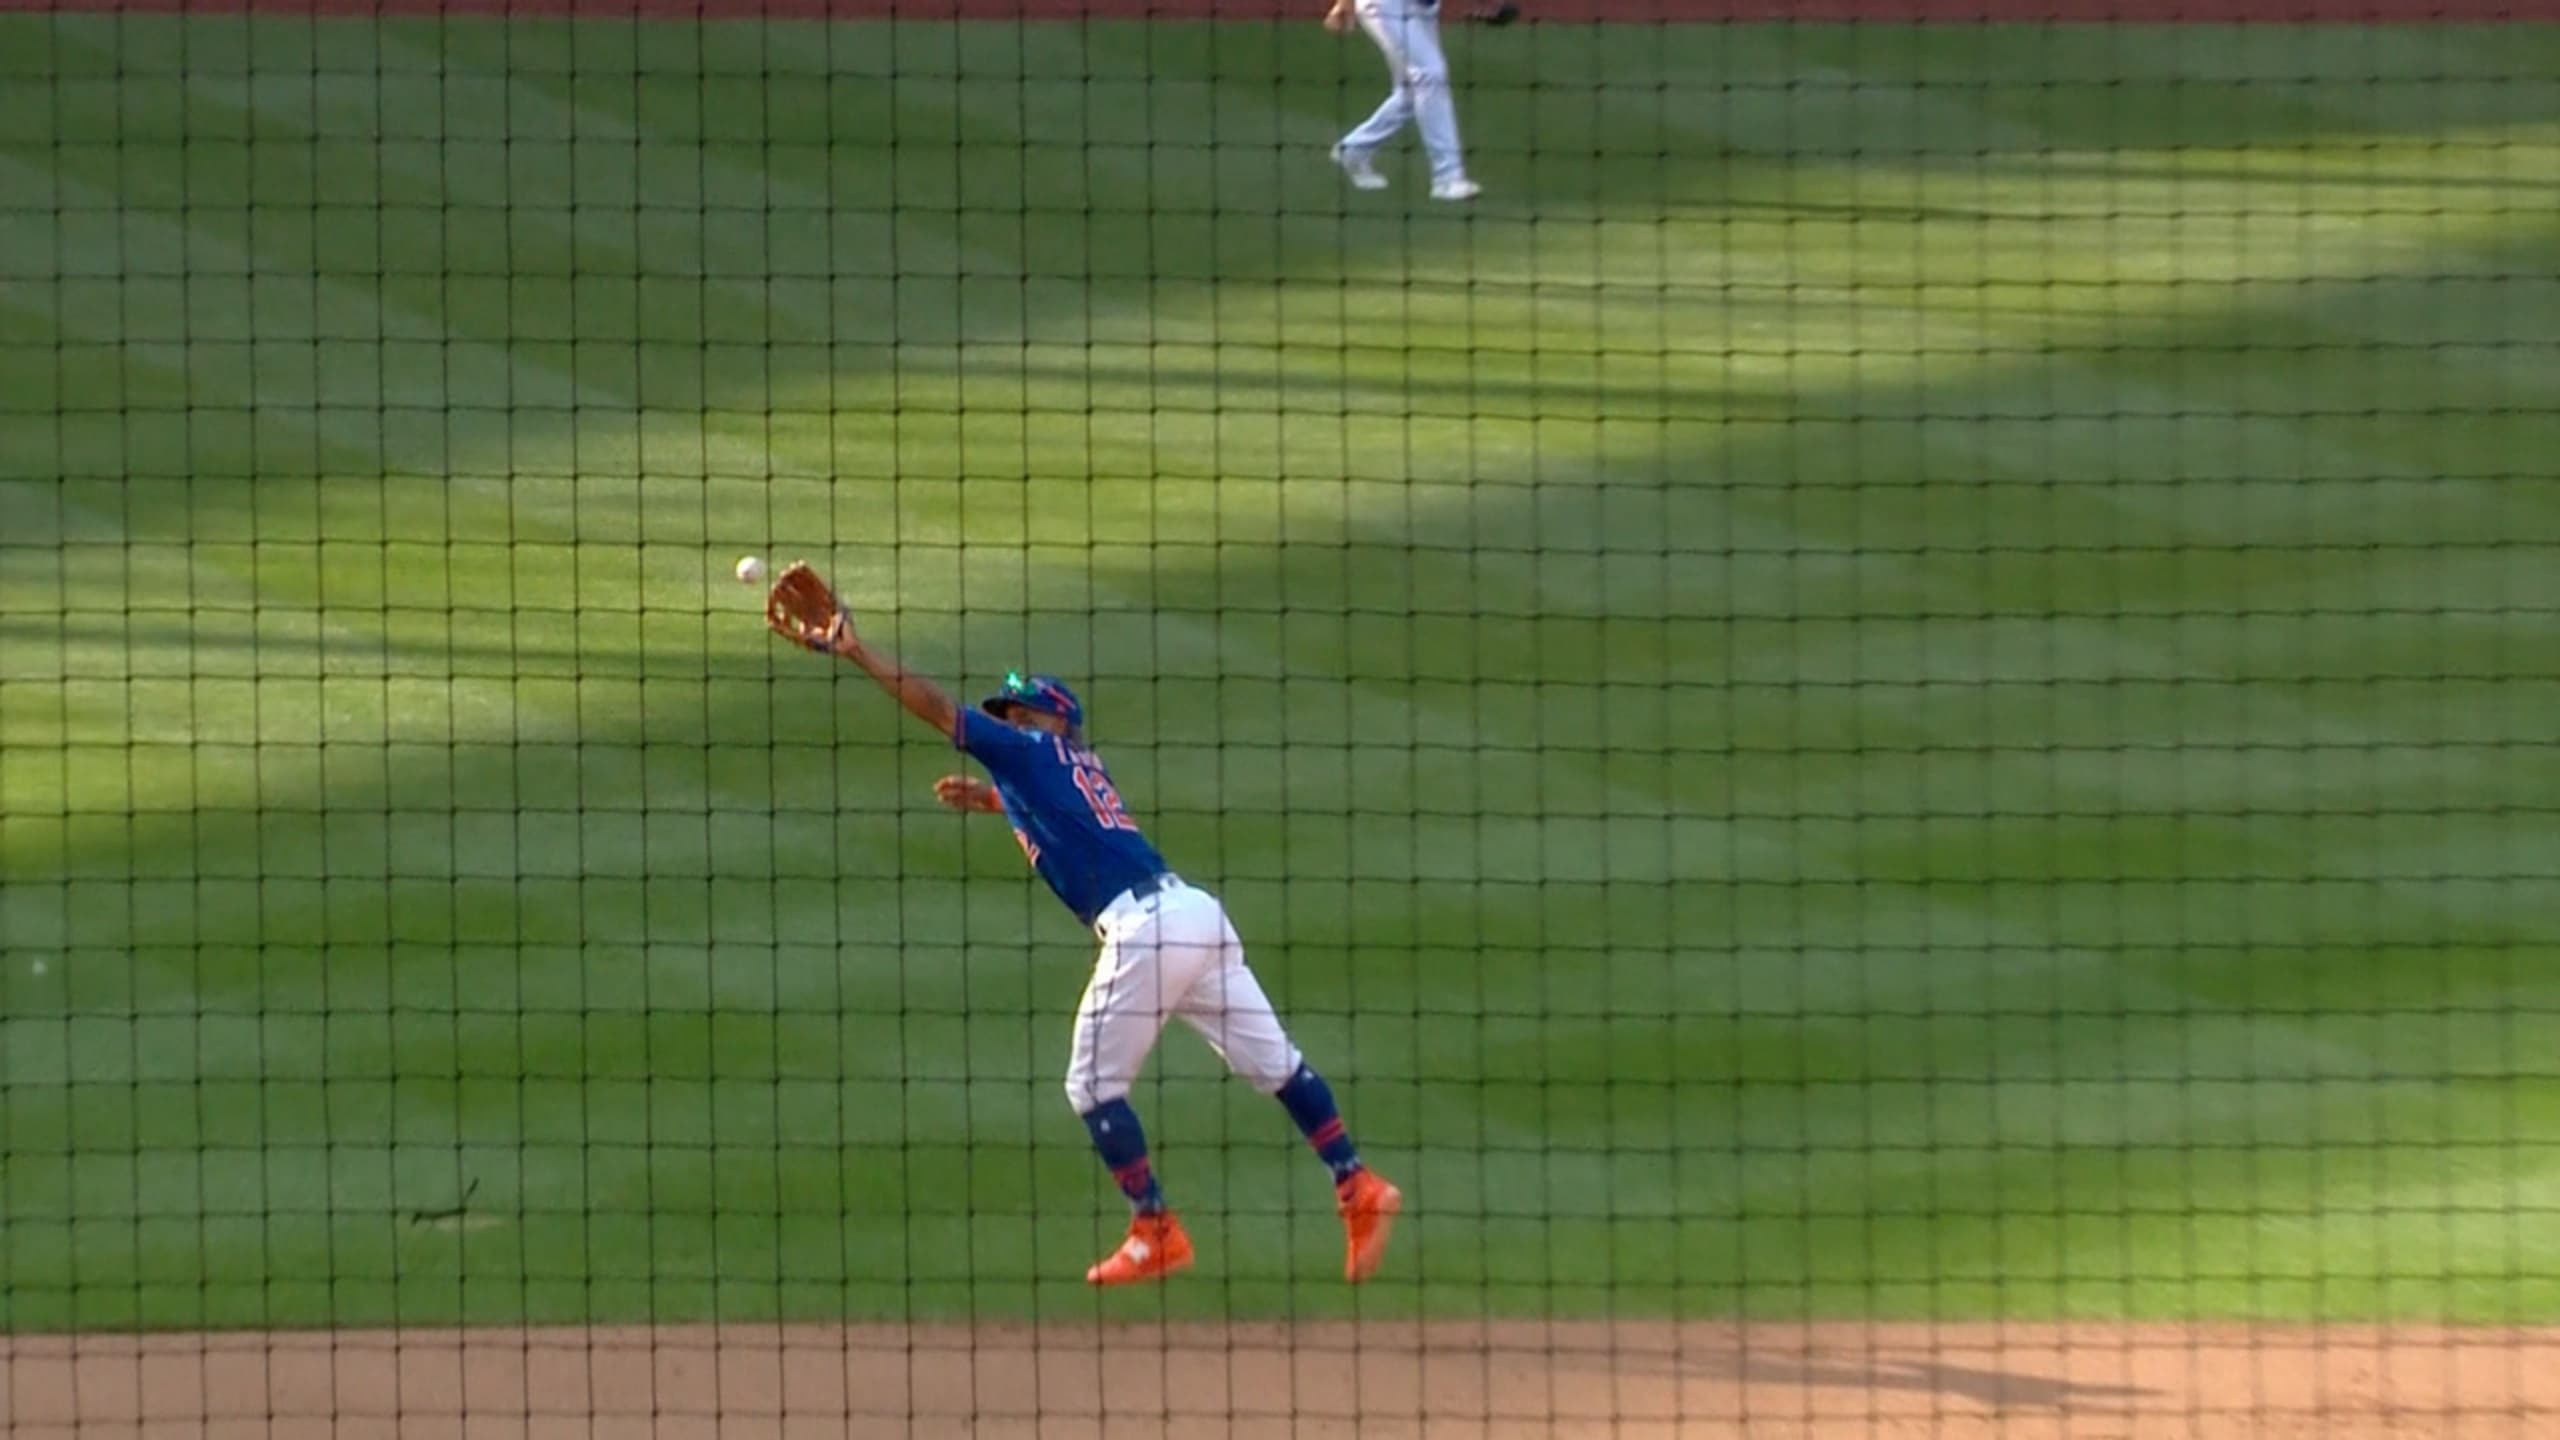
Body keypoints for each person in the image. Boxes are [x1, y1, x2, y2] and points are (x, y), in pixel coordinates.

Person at [762, 562, 1403, 1286]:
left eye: (1017, 712)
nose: (1005, 721)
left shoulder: (1030, 750)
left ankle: (1155, 1227)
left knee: (1090, 1085)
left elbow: (937, 707)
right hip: (1196, 917)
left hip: (1149, 931)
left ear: (1050, 721)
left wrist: (859, 650)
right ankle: (1356, 1182)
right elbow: (1077, 823)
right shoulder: (1068, 766)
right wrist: (1003, 803)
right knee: (1277, 1065)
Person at [1326, 0, 1480, 201]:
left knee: (1409, 93)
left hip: (1423, 5)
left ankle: (1354, 149)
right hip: (1386, 4)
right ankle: (1447, 178)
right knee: (1429, 75)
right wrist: (1344, 4)